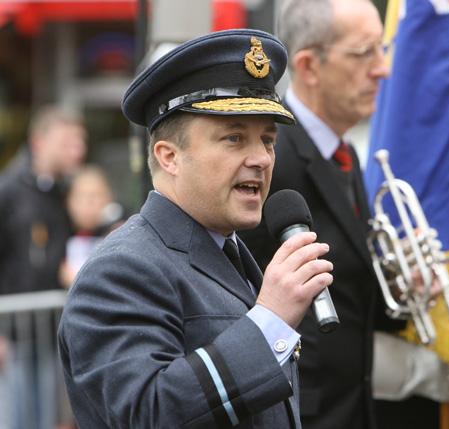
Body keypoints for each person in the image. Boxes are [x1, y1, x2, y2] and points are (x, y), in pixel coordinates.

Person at [58, 29, 334, 428]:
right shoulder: (119, 271)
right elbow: (145, 414)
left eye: (268, 140)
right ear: (169, 157)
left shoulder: (230, 254)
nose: (260, 158)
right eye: (234, 138)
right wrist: (270, 321)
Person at [239, 1, 449, 428]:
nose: (383, 69)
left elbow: (349, 299)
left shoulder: (345, 157)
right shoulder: (274, 159)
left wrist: (404, 282)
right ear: (308, 66)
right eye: (365, 54)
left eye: (382, 50)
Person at [0, 105, 87, 429]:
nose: (77, 151)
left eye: (80, 142)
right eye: (67, 143)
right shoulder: (7, 191)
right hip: (14, 334)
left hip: (54, 331)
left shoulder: (67, 192)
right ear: (39, 142)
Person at [59, 164, 124, 287]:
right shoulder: (59, 235)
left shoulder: (120, 233)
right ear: (68, 202)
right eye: (80, 197)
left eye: (94, 197)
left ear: (108, 198)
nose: (87, 205)